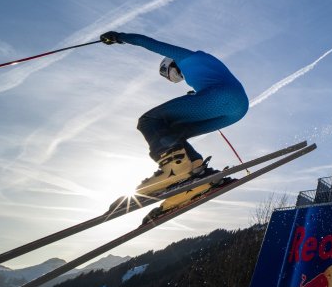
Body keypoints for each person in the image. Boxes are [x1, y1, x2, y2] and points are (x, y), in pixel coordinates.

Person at [100, 31, 248, 208]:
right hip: (237, 109)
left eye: (172, 75)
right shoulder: (202, 66)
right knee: (173, 131)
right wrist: (197, 95)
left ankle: (174, 171)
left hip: (220, 97)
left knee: (148, 120)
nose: (179, 78)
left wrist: (119, 37)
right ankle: (198, 174)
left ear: (170, 63)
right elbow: (214, 76)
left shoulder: (186, 58)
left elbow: (146, 42)